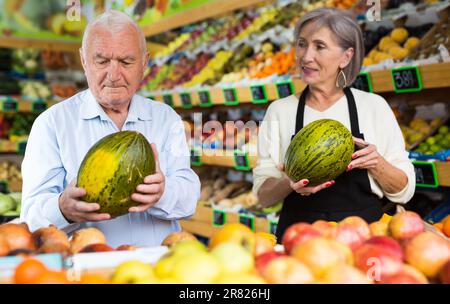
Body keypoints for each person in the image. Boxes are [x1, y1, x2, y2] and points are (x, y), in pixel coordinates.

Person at [20, 10, 200, 248]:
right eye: (102, 61)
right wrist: (62, 208)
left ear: (145, 62)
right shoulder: (52, 124)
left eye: (126, 62)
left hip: (158, 271)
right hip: (89, 271)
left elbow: (189, 201)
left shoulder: (166, 119)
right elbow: (30, 218)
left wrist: (162, 193)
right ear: (84, 61)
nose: (114, 75)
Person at [252, 8, 415, 241]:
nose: (306, 56)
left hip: (364, 239)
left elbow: (404, 192)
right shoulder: (280, 110)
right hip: (300, 244)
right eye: (301, 44)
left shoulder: (373, 106)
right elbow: (263, 196)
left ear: (346, 57)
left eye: (319, 46)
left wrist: (377, 164)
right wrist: (289, 183)